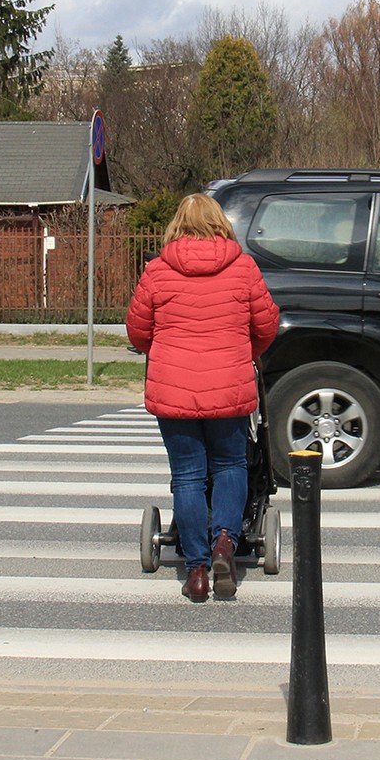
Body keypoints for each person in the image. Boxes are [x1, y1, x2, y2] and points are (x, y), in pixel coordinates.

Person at [126, 194, 280, 602]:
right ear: (220, 224)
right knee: (231, 464)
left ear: (177, 225)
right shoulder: (243, 268)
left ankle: (195, 569)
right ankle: (225, 543)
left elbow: (138, 332)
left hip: (173, 388)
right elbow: (266, 326)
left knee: (188, 476)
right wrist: (244, 353)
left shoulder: (157, 272)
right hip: (229, 385)